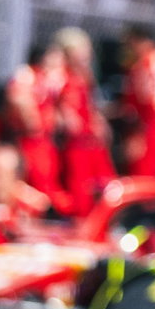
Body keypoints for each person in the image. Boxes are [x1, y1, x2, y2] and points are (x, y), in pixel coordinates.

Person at [53, 26, 116, 217]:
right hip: (76, 145)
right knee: (80, 190)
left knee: (106, 185)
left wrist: (98, 120)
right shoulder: (59, 75)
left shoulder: (84, 76)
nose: (85, 55)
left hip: (91, 143)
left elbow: (89, 105)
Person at [2, 43, 65, 201]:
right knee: (36, 178)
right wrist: (32, 120)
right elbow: (18, 99)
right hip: (28, 140)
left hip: (44, 140)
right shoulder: (27, 75)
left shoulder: (48, 78)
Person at [114, 25, 155, 177]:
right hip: (153, 127)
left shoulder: (151, 62)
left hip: (149, 129)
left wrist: (140, 134)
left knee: (143, 175)